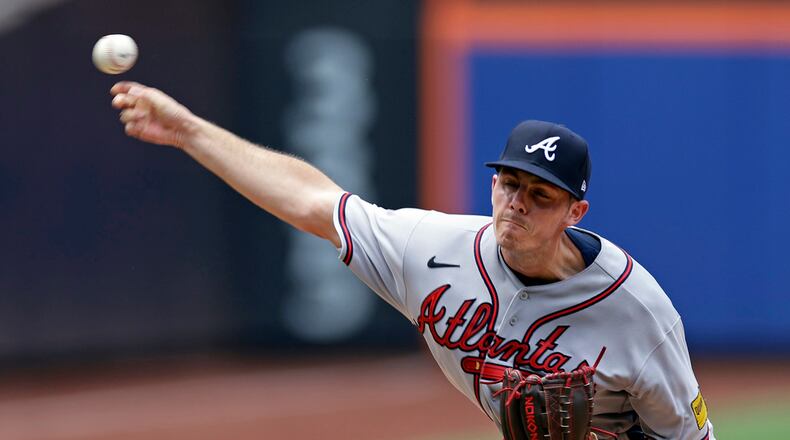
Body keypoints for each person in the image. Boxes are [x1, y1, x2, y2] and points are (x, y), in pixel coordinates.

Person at [110, 81, 715, 439]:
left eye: (540, 195)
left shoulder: (638, 312)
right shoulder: (432, 249)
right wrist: (189, 130)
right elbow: (313, 201)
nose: (516, 205)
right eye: (508, 184)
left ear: (575, 212)